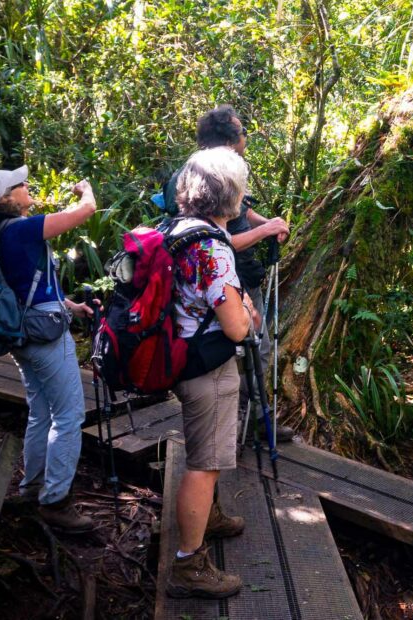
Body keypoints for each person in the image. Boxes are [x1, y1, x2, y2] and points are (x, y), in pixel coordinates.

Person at [0, 165, 98, 532]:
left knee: (41, 412)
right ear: (6, 199)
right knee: (70, 415)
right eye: (20, 184)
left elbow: (28, 282)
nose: (27, 186)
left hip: (20, 331)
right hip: (43, 336)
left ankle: (32, 488)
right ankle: (56, 501)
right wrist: (85, 189)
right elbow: (86, 211)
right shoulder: (22, 228)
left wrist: (69, 305)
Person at [164, 105, 294, 442]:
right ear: (229, 139)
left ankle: (254, 421)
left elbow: (241, 212)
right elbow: (212, 243)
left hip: (238, 277)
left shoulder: (215, 171)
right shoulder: (205, 175)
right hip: (222, 286)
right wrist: (265, 234)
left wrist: (268, 223)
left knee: (257, 351)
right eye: (242, 131)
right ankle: (236, 428)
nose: (246, 137)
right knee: (241, 350)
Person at [165, 147, 262, 599]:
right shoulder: (213, 248)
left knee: (210, 456)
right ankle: (189, 563)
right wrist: (247, 312)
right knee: (204, 464)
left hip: (183, 354)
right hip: (207, 366)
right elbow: (237, 326)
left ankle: (212, 517)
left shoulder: (179, 230)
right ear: (231, 195)